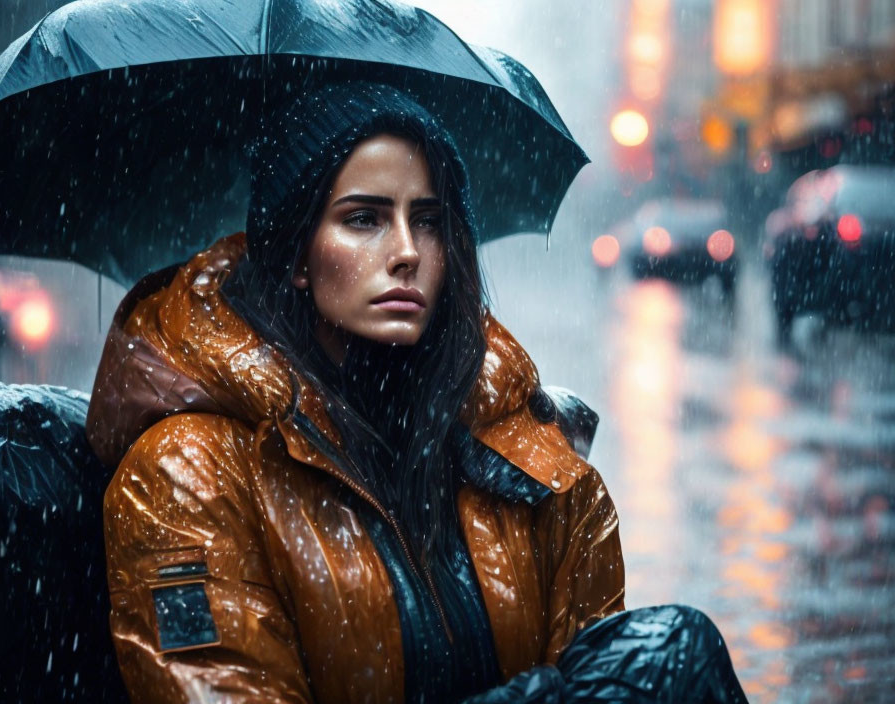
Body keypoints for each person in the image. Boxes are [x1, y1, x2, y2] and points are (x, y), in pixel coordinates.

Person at [88, 82, 747, 703]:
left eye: (427, 221)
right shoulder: (187, 475)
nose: (406, 251)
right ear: (295, 255)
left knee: (673, 652)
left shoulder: (537, 472)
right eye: (364, 219)